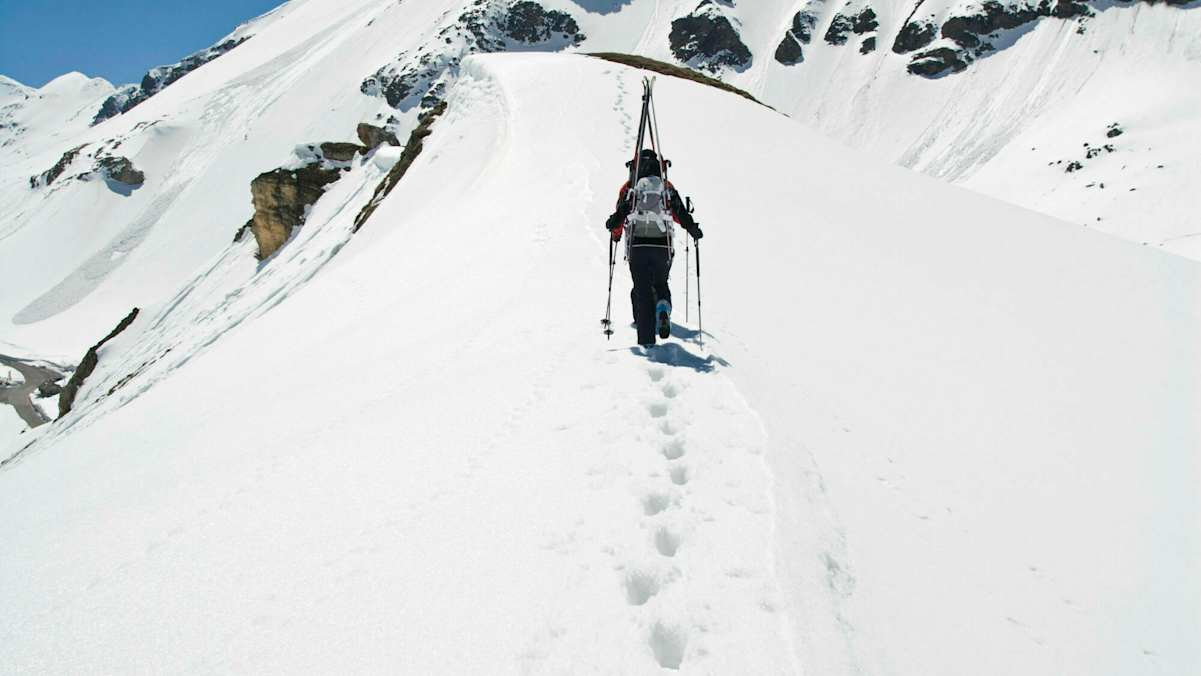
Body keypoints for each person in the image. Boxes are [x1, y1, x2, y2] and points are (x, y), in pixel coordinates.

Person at [605, 148, 703, 347]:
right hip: (662, 245)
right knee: (660, 282)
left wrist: (616, 235)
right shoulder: (665, 186)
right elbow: (678, 213)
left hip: (637, 244)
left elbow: (620, 215)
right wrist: (692, 229)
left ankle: (647, 341)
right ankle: (662, 307)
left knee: (641, 290)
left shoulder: (629, 188)